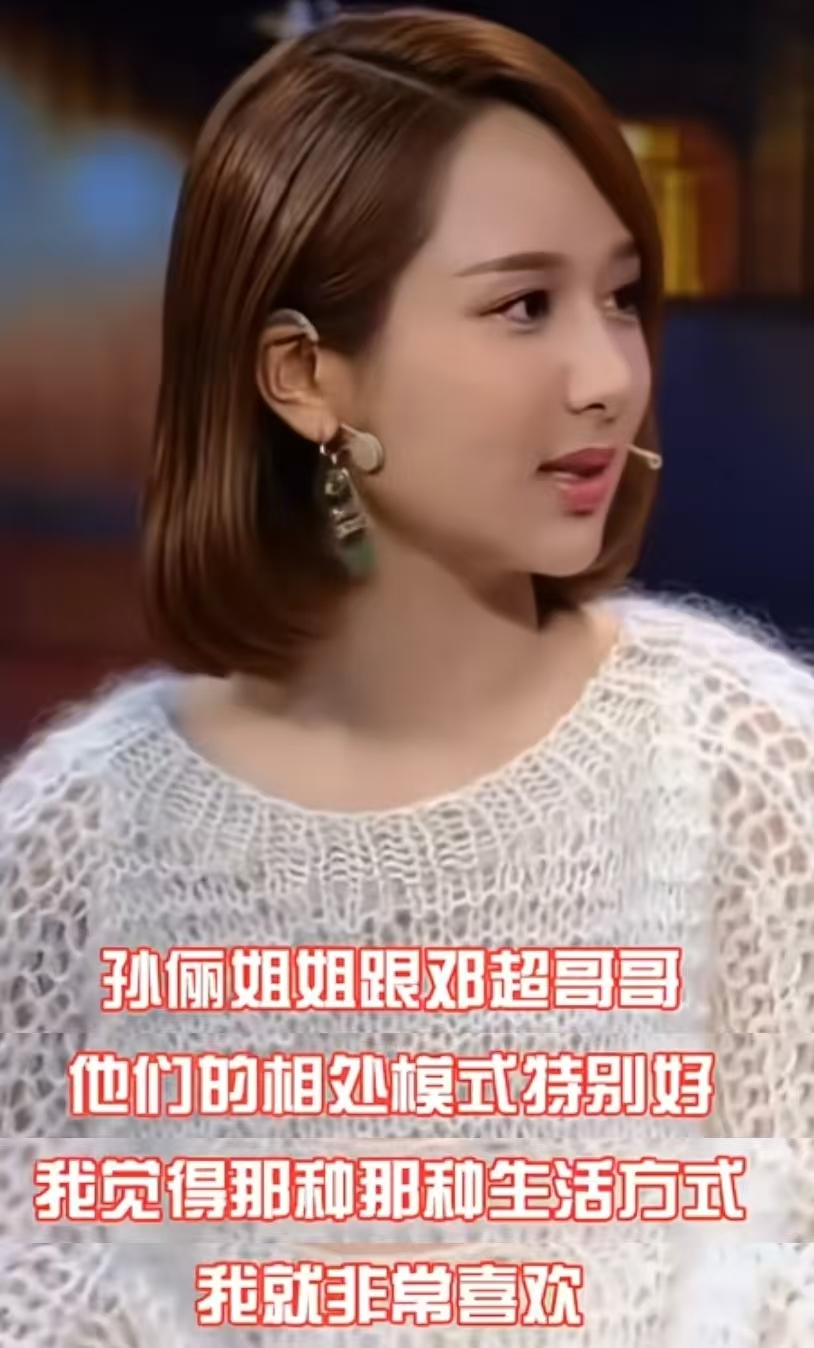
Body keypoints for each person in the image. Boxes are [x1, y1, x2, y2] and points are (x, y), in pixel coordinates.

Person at [1, 6, 812, 1345]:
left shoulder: (755, 774)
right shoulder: (68, 845)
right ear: (306, 377)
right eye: (523, 306)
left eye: (619, 297)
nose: (606, 377)